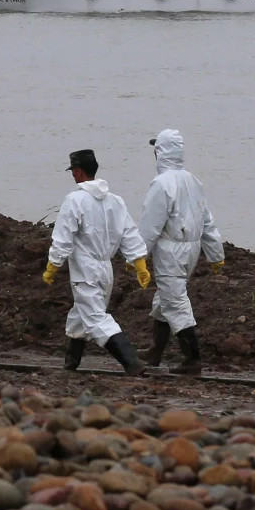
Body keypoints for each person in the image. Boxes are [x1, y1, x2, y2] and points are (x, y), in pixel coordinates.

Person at [43, 149, 149, 376]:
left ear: (78, 171)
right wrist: (138, 262)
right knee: (81, 313)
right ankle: (71, 363)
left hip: (85, 270)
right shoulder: (115, 201)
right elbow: (129, 233)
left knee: (95, 318)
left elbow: (63, 237)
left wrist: (53, 265)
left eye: (73, 171)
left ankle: (132, 363)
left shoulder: (75, 200)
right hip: (105, 269)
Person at [137, 131, 225, 375]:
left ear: (159, 152)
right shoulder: (192, 180)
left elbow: (150, 225)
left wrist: (138, 256)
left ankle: (192, 359)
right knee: (165, 299)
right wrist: (216, 253)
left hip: (171, 251)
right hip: (191, 249)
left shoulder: (161, 184)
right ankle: (155, 351)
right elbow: (206, 219)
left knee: (175, 302)